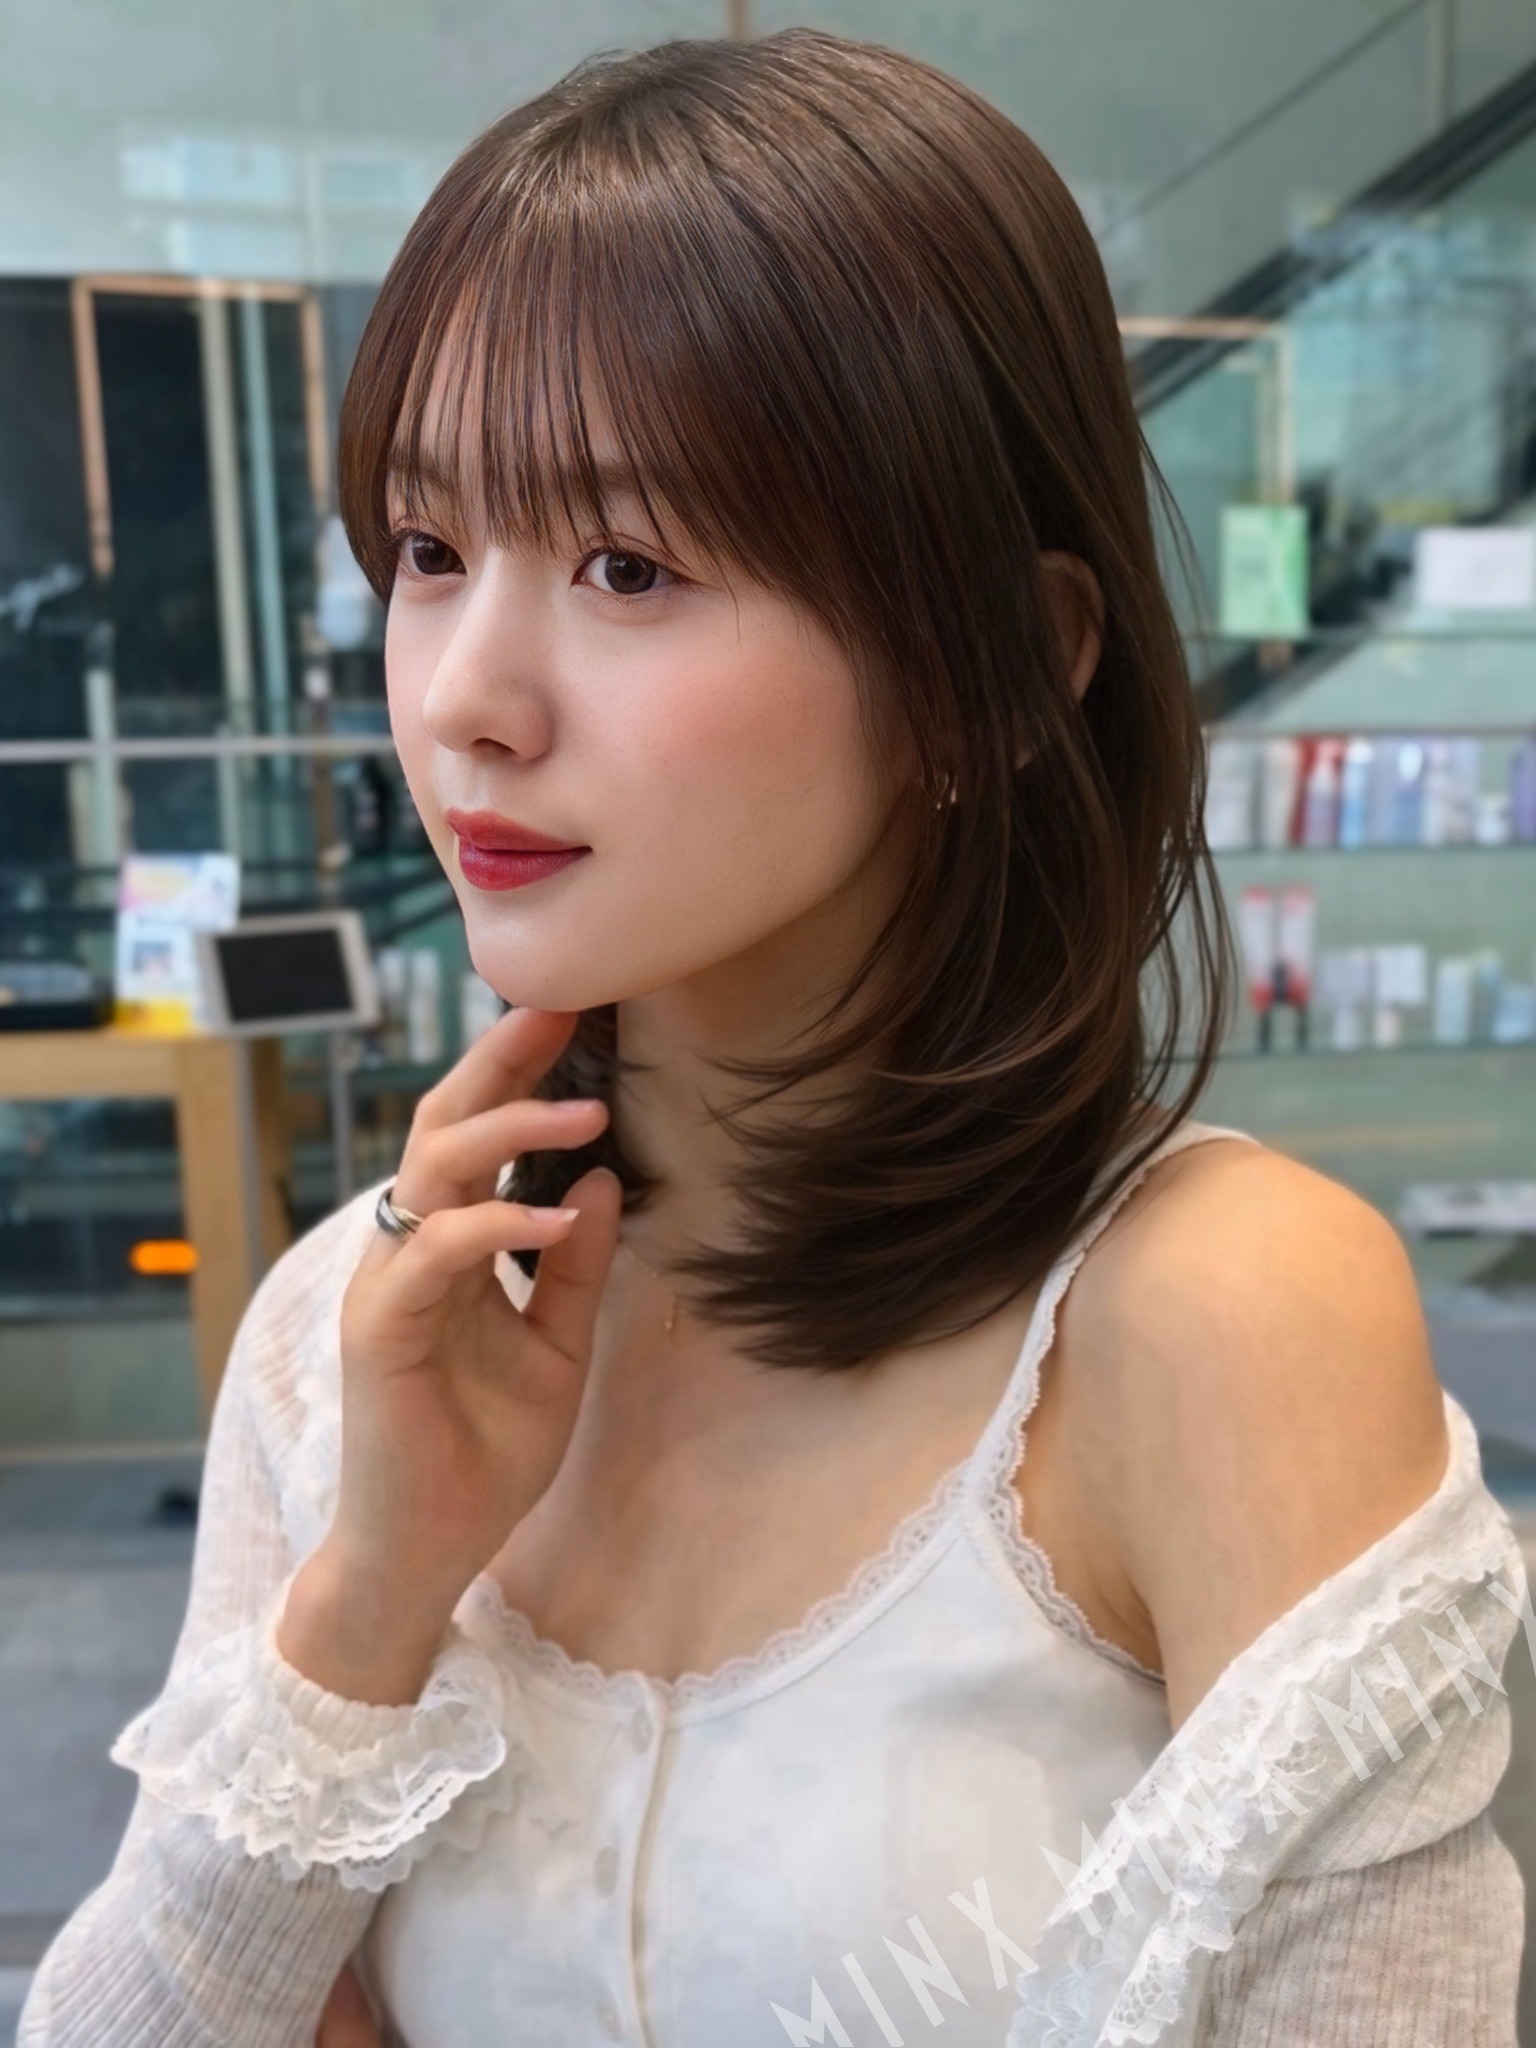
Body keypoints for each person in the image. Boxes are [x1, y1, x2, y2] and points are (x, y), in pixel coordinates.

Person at [20, 30, 1527, 2048]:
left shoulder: (1216, 1316)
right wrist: (370, 1599)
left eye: (629, 567)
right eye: (430, 550)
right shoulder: (347, 1334)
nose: (465, 695)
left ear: (1006, 666)